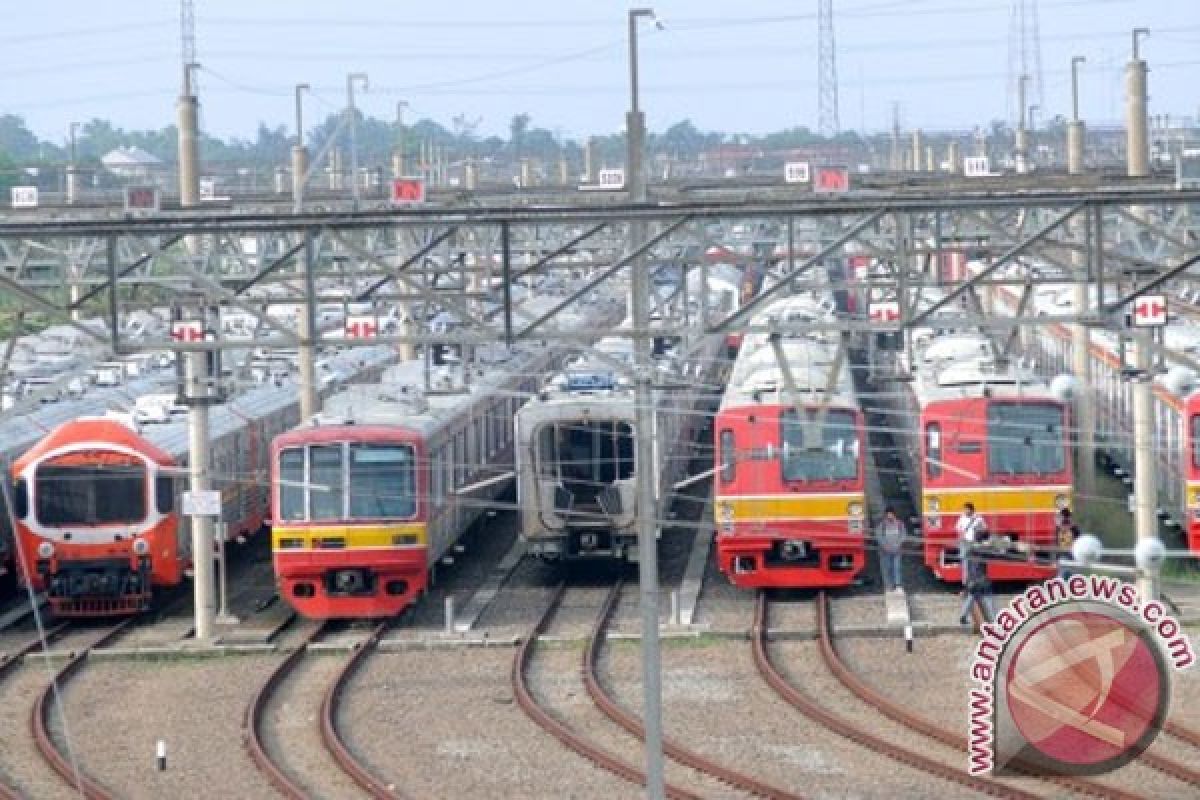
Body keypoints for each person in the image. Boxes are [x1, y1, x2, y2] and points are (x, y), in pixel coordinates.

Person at [956, 502, 995, 626]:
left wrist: (967, 581)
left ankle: (963, 616)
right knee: (987, 596)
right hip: (981, 577)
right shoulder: (982, 549)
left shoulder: (972, 548)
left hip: (973, 578)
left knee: (972, 596)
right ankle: (993, 620)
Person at [875, 506, 907, 591]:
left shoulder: (900, 524)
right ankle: (889, 585)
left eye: (891, 514)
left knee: (897, 567)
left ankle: (897, 584)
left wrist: (898, 544)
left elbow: (903, 535)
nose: (889, 516)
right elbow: (879, 536)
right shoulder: (882, 525)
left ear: (894, 514)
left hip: (897, 550)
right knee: (887, 567)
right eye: (888, 514)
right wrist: (885, 546)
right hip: (886, 551)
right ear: (886, 515)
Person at [1056, 507, 1081, 579]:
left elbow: (1078, 540)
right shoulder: (1058, 529)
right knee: (1063, 573)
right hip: (1063, 555)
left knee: (1071, 574)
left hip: (1072, 555)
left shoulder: (1074, 529)